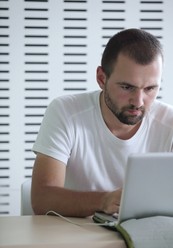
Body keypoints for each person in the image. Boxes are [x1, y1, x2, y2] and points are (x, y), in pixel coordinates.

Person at [31, 28, 173, 217]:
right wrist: (103, 201)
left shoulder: (169, 123)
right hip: (75, 236)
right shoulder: (65, 111)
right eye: (127, 87)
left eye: (150, 88)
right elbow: (42, 198)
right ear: (101, 78)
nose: (138, 101)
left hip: (144, 237)